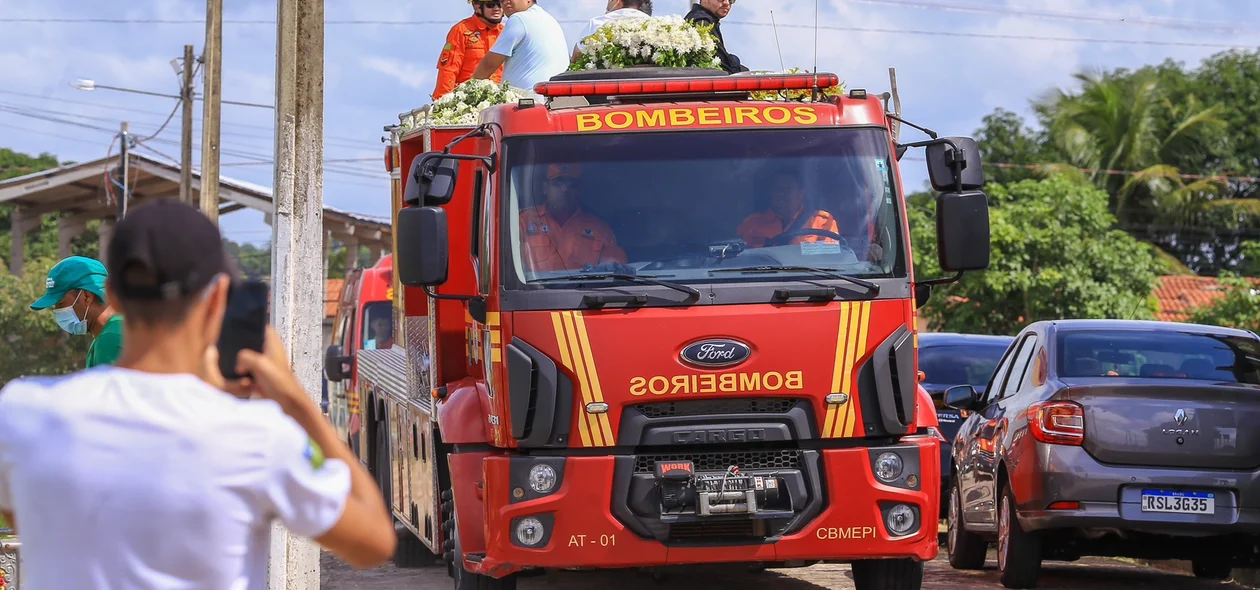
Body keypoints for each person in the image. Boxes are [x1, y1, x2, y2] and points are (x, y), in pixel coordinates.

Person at [0, 200, 396, 588]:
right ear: (219, 298)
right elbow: (375, 542)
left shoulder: (21, 414)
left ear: (114, 296)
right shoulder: (256, 436)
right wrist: (294, 400)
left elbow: (26, 513)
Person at [519, 164, 627, 273]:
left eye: (572, 184)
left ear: (579, 191)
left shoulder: (600, 229)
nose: (565, 189)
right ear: (545, 188)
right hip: (535, 289)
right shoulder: (523, 222)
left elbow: (616, 271)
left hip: (585, 290)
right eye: (558, 183)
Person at [29, 255, 124, 368]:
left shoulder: (110, 339)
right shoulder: (116, 331)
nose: (57, 311)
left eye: (61, 303)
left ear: (86, 297)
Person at [472, 0, 569, 93]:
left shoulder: (519, 19)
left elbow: (489, 65)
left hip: (528, 101)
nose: (505, 2)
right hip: (557, 99)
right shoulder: (550, 19)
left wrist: (468, 90)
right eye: (502, 0)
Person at [737, 171, 840, 248]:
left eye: (787, 188)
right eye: (777, 189)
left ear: (802, 193)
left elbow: (829, 258)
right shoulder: (751, 224)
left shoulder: (822, 222)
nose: (781, 194)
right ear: (770, 193)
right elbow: (739, 259)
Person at [432, 0, 506, 101]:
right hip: (467, 99)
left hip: (500, 99)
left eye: (500, 4)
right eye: (491, 5)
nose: (497, 9)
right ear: (477, 7)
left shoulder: (506, 32)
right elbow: (448, 70)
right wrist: (442, 101)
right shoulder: (460, 31)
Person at [571, 0, 653, 63]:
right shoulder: (654, 25)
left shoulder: (597, 23)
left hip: (601, 82)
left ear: (616, 1)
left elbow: (576, 57)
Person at [685, 0, 749, 74]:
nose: (727, 3)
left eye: (731, 0)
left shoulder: (707, 20)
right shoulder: (702, 23)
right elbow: (724, 67)